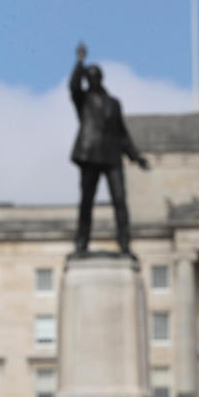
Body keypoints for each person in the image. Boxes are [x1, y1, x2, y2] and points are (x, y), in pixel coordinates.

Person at [69, 42, 150, 257]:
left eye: (93, 77)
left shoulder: (114, 103)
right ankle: (81, 243)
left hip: (112, 156)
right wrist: (79, 62)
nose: (90, 80)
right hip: (90, 153)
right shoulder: (83, 100)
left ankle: (124, 244)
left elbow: (122, 133)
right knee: (87, 201)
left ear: (100, 78)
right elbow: (73, 86)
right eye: (88, 77)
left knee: (120, 201)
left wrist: (136, 156)